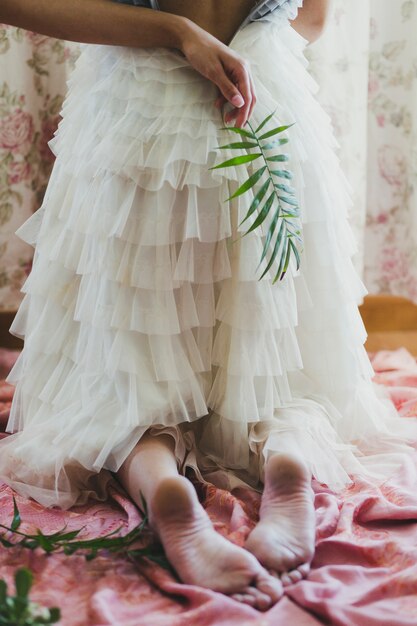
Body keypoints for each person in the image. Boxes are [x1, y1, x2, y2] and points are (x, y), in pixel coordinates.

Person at [0, 0, 416, 612]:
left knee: (125, 377)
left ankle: (163, 485)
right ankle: (287, 461)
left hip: (142, 122)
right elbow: (316, 17)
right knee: (282, 366)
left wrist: (176, 28)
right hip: (265, 108)